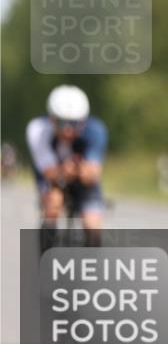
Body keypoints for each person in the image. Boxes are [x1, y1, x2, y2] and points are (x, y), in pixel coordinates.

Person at [26, 85, 107, 251]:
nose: (68, 130)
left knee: (93, 223)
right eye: (62, 123)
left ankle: (91, 268)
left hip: (81, 181)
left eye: (75, 124)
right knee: (53, 204)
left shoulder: (96, 130)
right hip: (53, 177)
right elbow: (49, 172)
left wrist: (80, 171)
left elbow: (92, 174)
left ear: (84, 121)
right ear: (51, 119)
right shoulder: (38, 130)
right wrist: (65, 171)